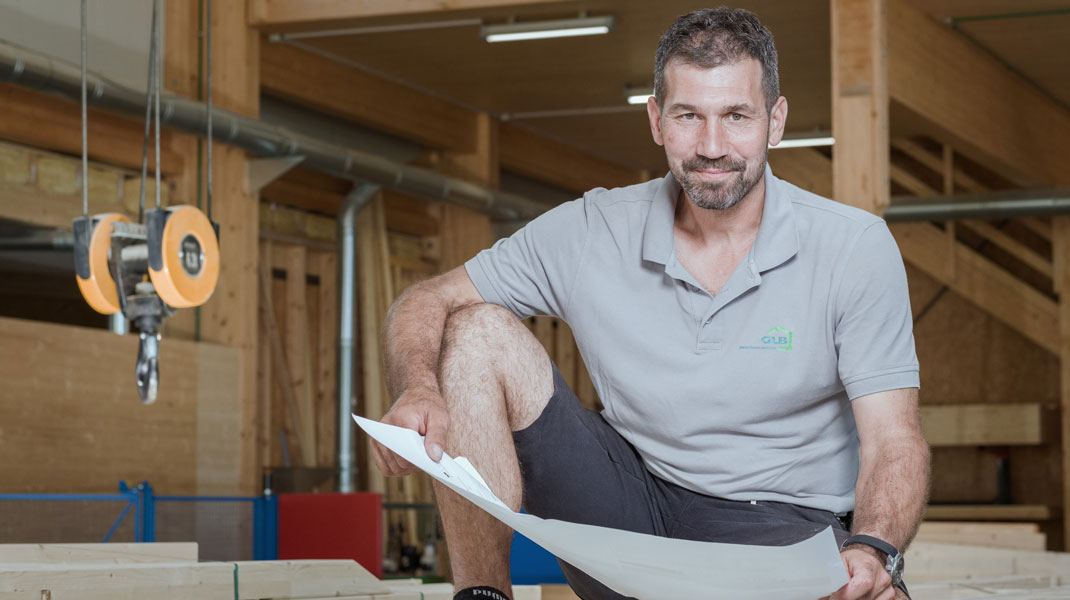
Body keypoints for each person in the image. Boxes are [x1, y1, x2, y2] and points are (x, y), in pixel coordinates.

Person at [370, 7, 930, 600]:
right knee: (476, 332)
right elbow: (426, 297)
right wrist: (417, 386)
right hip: (630, 511)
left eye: (736, 116)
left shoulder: (853, 246)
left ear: (776, 120)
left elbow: (895, 440)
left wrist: (875, 551)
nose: (712, 147)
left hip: (781, 533)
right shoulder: (593, 229)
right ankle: (482, 595)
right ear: (657, 120)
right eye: (689, 116)